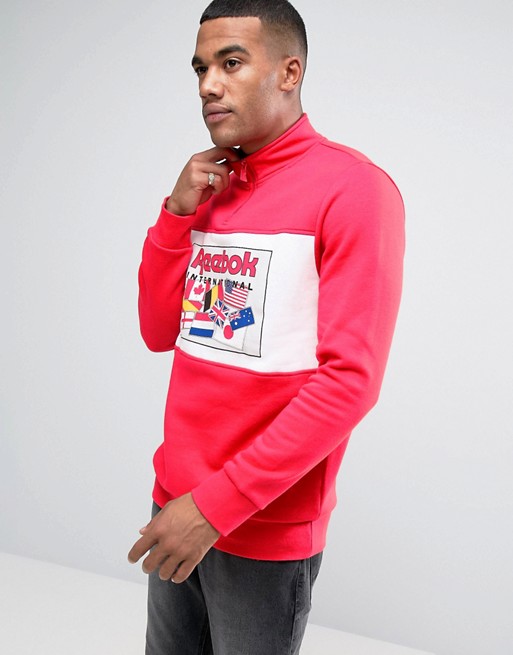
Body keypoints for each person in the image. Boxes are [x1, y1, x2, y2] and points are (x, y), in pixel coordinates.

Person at [128, 1, 405, 653]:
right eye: (200, 68)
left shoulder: (354, 189)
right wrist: (176, 214)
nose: (208, 85)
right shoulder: (213, 187)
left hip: (259, 526)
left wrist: (215, 506)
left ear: (288, 71)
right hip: (175, 504)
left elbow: (350, 383)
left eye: (230, 63)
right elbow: (158, 330)